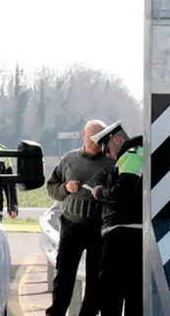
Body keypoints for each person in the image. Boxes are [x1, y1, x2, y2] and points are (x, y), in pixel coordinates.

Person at [44, 119, 114, 316]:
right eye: (91, 137)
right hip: (71, 226)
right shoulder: (69, 159)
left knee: (95, 281)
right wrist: (66, 188)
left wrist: (103, 193)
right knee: (64, 278)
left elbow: (118, 193)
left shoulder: (111, 163)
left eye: (98, 138)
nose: (94, 141)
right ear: (84, 134)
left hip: (99, 228)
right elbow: (51, 187)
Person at [89, 120, 143, 316]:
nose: (109, 155)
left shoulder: (132, 155)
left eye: (107, 149)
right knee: (134, 293)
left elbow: (122, 192)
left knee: (110, 291)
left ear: (118, 140)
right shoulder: (139, 153)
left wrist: (100, 192)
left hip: (122, 234)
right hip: (136, 233)